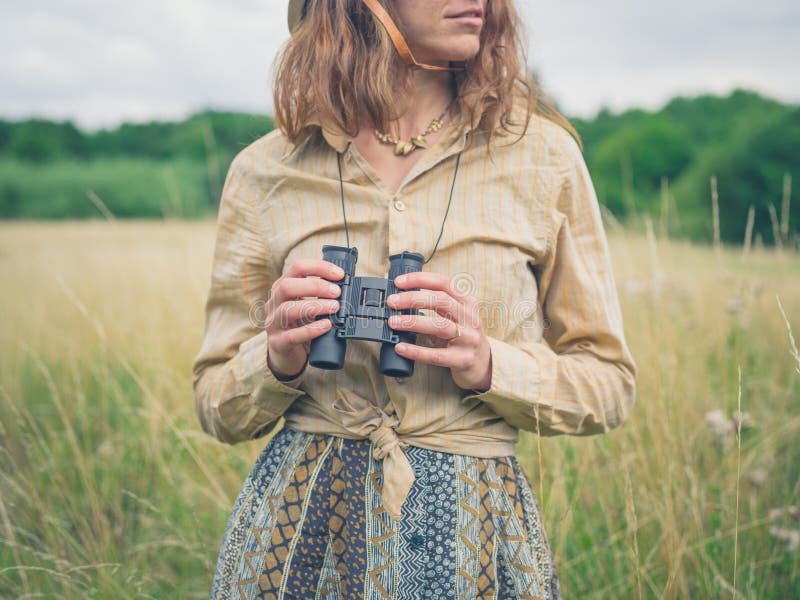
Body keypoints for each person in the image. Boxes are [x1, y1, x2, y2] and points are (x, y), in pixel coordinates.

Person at [192, 0, 637, 598]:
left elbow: (609, 383)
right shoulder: (265, 170)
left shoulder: (544, 157)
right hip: (295, 539)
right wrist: (276, 359)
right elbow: (216, 404)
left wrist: (488, 365)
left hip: (482, 540)